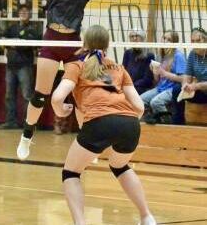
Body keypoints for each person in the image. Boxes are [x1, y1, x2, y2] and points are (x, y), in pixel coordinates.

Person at [17, 0, 120, 160]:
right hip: (52, 39)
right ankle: (26, 137)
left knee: (82, 93)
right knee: (40, 94)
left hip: (73, 43)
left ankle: (89, 144)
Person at [50, 25, 156, 225]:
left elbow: (57, 97)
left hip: (100, 121)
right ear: (108, 44)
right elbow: (140, 107)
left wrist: (60, 110)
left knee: (71, 173)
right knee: (120, 166)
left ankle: (81, 223)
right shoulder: (119, 68)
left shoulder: (76, 66)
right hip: (130, 122)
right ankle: (146, 216)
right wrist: (123, 122)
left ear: (84, 43)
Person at [0, 5, 39, 129]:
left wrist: (14, 44)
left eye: (26, 11)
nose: (23, 13)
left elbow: (27, 46)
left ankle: (29, 123)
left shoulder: (33, 29)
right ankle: (11, 121)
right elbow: (3, 40)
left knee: (27, 95)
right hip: (11, 66)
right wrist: (15, 43)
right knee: (9, 95)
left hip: (25, 66)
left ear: (30, 14)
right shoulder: (13, 27)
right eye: (21, 11)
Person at [141, 30, 186, 124]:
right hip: (160, 87)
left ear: (174, 43)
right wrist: (154, 71)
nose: (165, 41)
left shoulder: (178, 56)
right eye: (164, 38)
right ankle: (152, 119)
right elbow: (157, 80)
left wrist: (164, 73)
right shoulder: (160, 55)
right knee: (140, 100)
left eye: (169, 39)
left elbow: (183, 79)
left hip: (172, 88)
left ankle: (167, 123)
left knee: (156, 102)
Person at [171, 27, 207, 125]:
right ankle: (178, 125)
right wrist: (185, 85)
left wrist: (196, 86)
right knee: (177, 90)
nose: (195, 43)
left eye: (198, 40)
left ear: (205, 40)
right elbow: (187, 74)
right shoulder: (192, 54)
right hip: (200, 91)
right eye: (192, 41)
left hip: (201, 87)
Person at [122, 29, 154, 95]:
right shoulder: (127, 53)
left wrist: (131, 85)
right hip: (128, 85)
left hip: (140, 87)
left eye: (137, 36)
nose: (134, 38)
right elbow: (123, 72)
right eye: (132, 36)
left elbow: (148, 79)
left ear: (142, 38)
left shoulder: (149, 55)